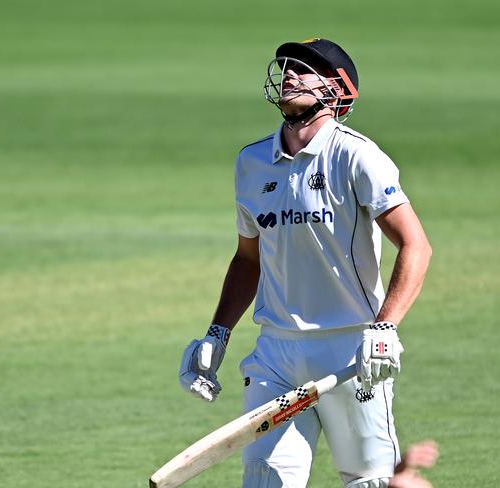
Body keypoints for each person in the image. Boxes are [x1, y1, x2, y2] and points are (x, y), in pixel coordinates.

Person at [179, 38, 433, 488]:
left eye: (306, 68)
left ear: (336, 89)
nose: (290, 73)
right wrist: (217, 334)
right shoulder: (252, 162)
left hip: (350, 351)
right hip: (276, 353)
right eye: (288, 65)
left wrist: (385, 328)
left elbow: (416, 245)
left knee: (370, 481)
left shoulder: (357, 156)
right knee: (265, 480)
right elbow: (247, 259)